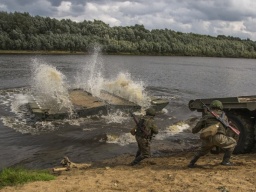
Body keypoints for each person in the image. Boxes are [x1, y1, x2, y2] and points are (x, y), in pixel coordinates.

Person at [188, 100, 237, 168]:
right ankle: (226, 161)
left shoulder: (206, 116)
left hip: (207, 138)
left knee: (201, 151)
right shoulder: (224, 117)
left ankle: (191, 163)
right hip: (219, 137)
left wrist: (194, 130)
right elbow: (225, 129)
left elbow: (196, 129)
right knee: (233, 143)